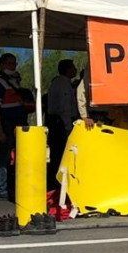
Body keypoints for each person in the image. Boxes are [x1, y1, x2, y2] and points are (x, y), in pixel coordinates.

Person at [0, 53, 28, 200]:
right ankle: (1, 190)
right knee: (3, 157)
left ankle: (16, 187)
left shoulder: (14, 82)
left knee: (20, 156)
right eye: (10, 64)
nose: (14, 66)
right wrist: (0, 130)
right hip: (6, 123)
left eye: (15, 63)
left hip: (19, 122)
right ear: (3, 65)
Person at [46, 59, 80, 189]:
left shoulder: (64, 83)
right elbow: (64, 107)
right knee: (59, 154)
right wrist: (68, 127)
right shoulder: (62, 83)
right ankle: (55, 184)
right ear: (67, 69)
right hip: (59, 122)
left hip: (59, 121)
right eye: (73, 67)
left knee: (58, 154)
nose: (75, 70)